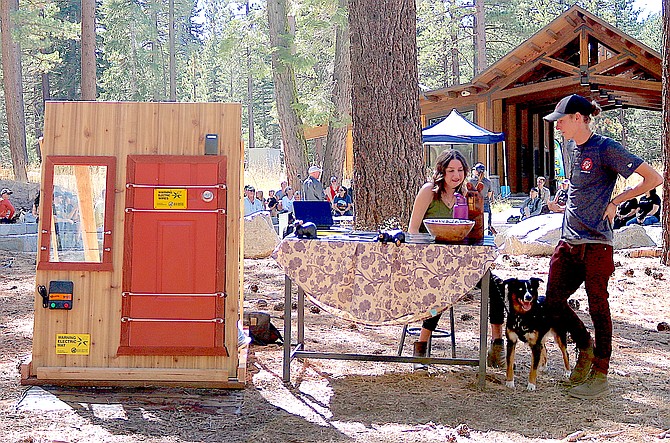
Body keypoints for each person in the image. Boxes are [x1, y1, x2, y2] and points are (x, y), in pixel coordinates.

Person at [543, 94, 662, 399]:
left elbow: (653, 177)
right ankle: (585, 349)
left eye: (562, 121)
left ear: (580, 118)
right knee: (553, 302)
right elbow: (581, 188)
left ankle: (600, 372)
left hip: (597, 244)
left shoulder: (606, 147)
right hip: (568, 242)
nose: (558, 128)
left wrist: (616, 201)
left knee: (598, 305)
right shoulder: (571, 148)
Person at [407, 149, 505, 370]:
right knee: (443, 290)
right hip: (432, 261)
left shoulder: (467, 194)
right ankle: (421, 347)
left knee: (496, 285)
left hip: (463, 260)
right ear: (441, 171)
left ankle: (496, 346)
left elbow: (474, 231)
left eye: (460, 170)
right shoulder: (428, 191)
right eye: (451, 170)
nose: (456, 175)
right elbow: (413, 229)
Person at [469, 163, 494, 234]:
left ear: (476, 171)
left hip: (474, 205)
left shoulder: (471, 181)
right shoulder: (488, 182)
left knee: (474, 226)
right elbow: (489, 194)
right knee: (487, 225)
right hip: (485, 204)